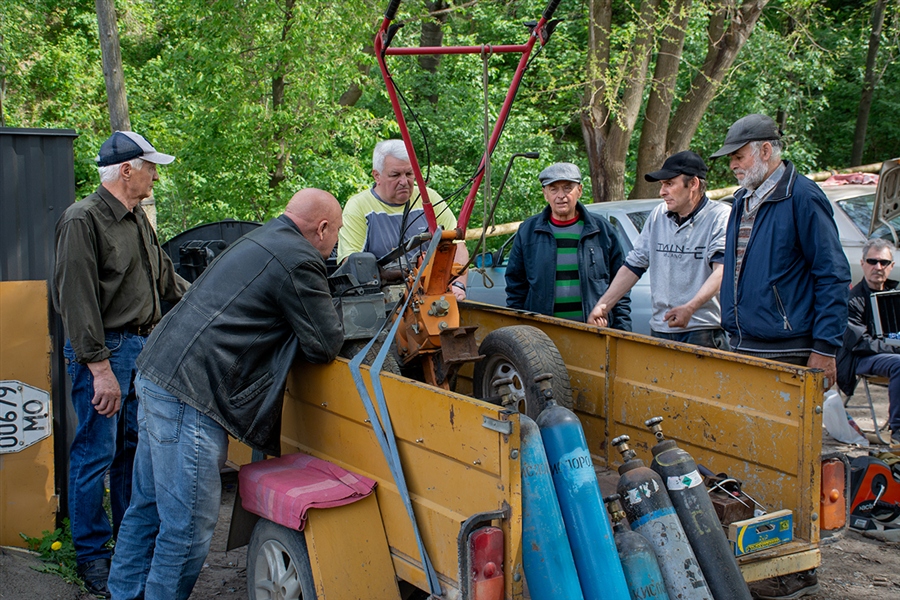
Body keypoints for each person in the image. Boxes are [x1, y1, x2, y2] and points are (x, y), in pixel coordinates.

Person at [107, 189, 345, 600]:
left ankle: (123, 594)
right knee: (188, 527)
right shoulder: (300, 259)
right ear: (322, 228)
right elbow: (325, 344)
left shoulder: (260, 238)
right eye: (336, 234)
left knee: (146, 508)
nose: (334, 244)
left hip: (157, 373)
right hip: (189, 395)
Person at [711, 114, 850, 600]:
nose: (732, 166)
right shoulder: (744, 200)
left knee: (791, 462)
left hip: (790, 350)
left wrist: (825, 348)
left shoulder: (802, 197)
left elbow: (832, 275)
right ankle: (759, 558)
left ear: (766, 151)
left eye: (738, 156)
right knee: (750, 454)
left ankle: (798, 564)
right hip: (746, 345)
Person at [52, 131, 189, 598]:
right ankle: (92, 555)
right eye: (150, 166)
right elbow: (76, 301)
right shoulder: (81, 219)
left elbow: (167, 282)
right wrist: (99, 368)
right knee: (95, 452)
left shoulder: (136, 219)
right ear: (127, 169)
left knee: (133, 451)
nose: (156, 174)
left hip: (141, 349)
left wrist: (213, 303)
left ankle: (129, 549)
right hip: (105, 352)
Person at [587, 151, 730, 347]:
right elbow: (634, 265)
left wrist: (690, 307)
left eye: (669, 184)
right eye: (662, 185)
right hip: (661, 328)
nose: (662, 192)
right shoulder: (658, 215)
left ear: (694, 184)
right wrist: (603, 306)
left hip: (702, 330)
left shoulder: (720, 216)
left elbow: (721, 272)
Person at [337, 139, 468, 300]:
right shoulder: (359, 207)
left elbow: (458, 245)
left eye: (409, 174)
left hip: (432, 297)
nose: (404, 182)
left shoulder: (429, 199)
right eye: (395, 175)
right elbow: (351, 264)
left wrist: (458, 285)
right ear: (376, 175)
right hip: (382, 301)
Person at [505, 162, 631, 328]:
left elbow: (620, 286)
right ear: (545, 194)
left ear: (579, 190)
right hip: (543, 334)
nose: (561, 195)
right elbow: (516, 287)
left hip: (595, 331)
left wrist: (621, 330)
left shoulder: (602, 230)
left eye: (567, 188)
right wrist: (520, 329)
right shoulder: (528, 231)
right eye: (553, 189)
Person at [837, 238, 900, 445]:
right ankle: (898, 430)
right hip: (860, 358)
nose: (877, 267)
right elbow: (860, 342)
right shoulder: (852, 299)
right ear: (863, 263)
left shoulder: (895, 295)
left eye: (883, 263)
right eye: (872, 261)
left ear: (892, 266)